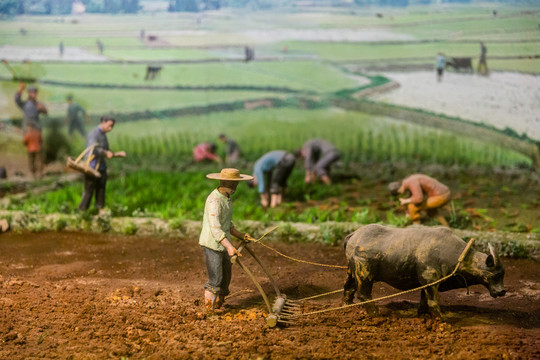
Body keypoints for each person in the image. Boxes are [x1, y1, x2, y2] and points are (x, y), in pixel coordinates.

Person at [199, 168, 256, 311]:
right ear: (223, 182)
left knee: (226, 276)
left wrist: (241, 235)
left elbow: (227, 224)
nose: (235, 187)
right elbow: (216, 229)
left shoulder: (227, 199)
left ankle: (219, 302)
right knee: (216, 279)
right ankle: (209, 311)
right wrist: (230, 247)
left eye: (236, 184)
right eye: (232, 184)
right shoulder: (215, 201)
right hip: (212, 244)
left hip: (223, 243)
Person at [78, 115, 126, 213]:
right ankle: (82, 211)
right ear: (103, 122)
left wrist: (117, 154)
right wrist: (105, 153)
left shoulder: (103, 135)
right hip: (92, 166)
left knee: (101, 188)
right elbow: (94, 148)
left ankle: (100, 209)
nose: (110, 128)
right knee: (89, 189)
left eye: (112, 126)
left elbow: (106, 151)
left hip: (101, 166)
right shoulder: (94, 134)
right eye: (109, 125)